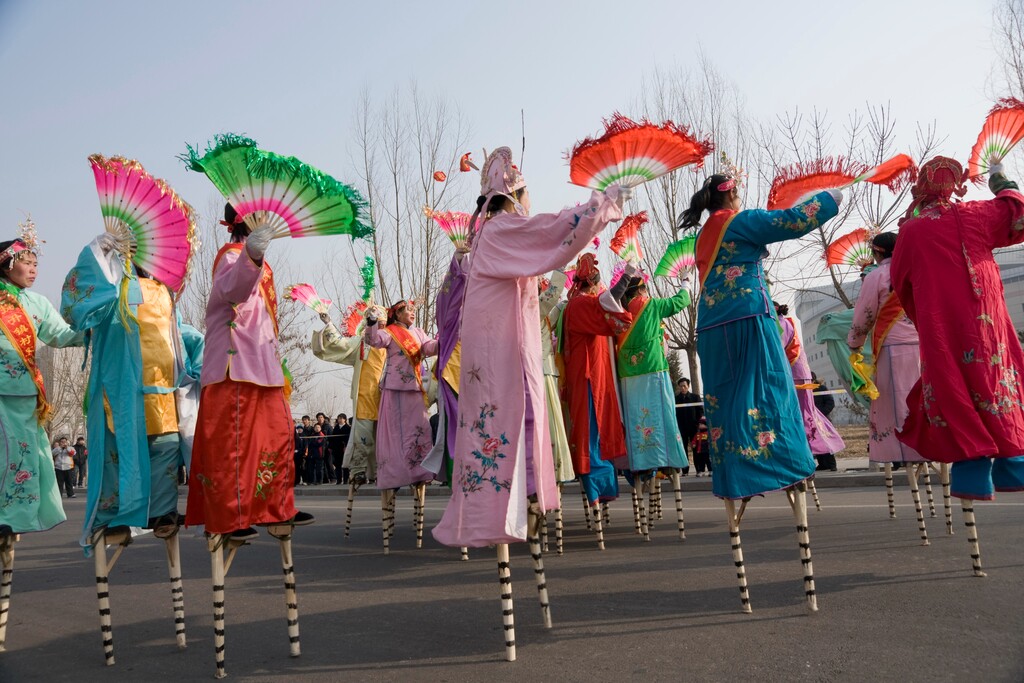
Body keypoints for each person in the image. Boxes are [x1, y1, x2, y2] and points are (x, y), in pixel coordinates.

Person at [433, 146, 630, 548]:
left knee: (500, 422)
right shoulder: (502, 229)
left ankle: (504, 510)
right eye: (527, 194)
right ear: (516, 194)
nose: (530, 202)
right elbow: (551, 230)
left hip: (496, 347)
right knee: (512, 415)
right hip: (501, 350)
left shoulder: (488, 234)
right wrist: (604, 203)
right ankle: (511, 511)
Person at [687, 170, 841, 611]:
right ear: (732, 194)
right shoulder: (739, 221)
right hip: (750, 321)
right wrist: (831, 197)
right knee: (774, 395)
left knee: (727, 410)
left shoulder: (703, 237)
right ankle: (789, 467)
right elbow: (792, 221)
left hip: (712, 329)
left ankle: (738, 479)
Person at [889, 157, 1024, 574]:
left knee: (950, 378)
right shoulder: (977, 212)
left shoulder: (911, 230)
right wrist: (1001, 177)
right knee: (996, 374)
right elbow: (1016, 211)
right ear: (955, 186)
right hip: (986, 311)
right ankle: (1012, 461)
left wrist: (922, 310)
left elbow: (902, 282)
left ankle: (970, 469)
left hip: (941, 316)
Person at [62, 232, 205, 545]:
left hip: (164, 389)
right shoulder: (114, 286)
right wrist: (96, 253)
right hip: (122, 389)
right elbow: (78, 310)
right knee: (118, 453)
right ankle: (115, 517)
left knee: (166, 448)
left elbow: (182, 334)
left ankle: (163, 513)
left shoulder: (165, 292)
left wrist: (212, 359)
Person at [185, 204, 312, 539]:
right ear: (246, 222)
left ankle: (274, 509)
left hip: (263, 363)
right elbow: (233, 291)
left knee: (278, 437)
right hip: (235, 364)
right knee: (234, 445)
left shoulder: (257, 261)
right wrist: (253, 252)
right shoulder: (231, 256)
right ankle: (230, 519)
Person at [0, 228, 83, 536]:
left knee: (28, 456)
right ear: (8, 265)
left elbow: (60, 335)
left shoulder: (38, 303)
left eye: (36, 263)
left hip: (27, 394)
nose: (34, 269)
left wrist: (90, 332)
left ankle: (17, 517)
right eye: (26, 262)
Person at [847, 232, 926, 472]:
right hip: (923, 343)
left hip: (892, 345)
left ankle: (906, 451)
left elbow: (864, 314)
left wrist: (854, 342)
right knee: (921, 395)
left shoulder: (877, 276)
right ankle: (929, 443)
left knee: (898, 400)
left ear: (877, 252)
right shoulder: (917, 269)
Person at [561, 253, 634, 508]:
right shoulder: (580, 305)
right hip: (588, 377)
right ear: (591, 284)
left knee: (598, 428)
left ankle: (602, 485)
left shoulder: (578, 303)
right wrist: (626, 276)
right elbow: (607, 304)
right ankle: (596, 487)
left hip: (594, 375)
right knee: (591, 430)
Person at [615, 274, 690, 476]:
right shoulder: (651, 304)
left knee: (637, 418)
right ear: (641, 290)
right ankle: (668, 460)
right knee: (662, 413)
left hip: (627, 375)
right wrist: (685, 282)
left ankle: (641, 463)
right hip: (653, 368)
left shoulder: (619, 310)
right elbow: (681, 301)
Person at [363, 300, 439, 490]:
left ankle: (420, 472)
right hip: (394, 388)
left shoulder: (419, 332)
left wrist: (447, 337)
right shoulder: (389, 332)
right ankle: (394, 474)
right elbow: (372, 340)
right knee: (395, 434)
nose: (412, 313)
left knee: (419, 430)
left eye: (413, 311)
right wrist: (371, 320)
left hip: (415, 387)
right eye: (408, 311)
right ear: (397, 314)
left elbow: (429, 348)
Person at [311, 309, 385, 486]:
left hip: (386, 396)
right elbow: (341, 344)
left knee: (384, 438)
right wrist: (329, 323)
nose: (378, 326)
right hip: (364, 397)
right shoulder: (362, 343)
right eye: (373, 322)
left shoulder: (391, 343)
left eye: (381, 322)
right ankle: (359, 471)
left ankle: (381, 472)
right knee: (364, 436)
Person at [775, 302, 845, 471]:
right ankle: (815, 456)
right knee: (807, 417)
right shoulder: (783, 322)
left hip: (795, 378)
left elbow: (773, 351)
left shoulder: (779, 324)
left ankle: (806, 458)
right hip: (797, 376)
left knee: (801, 418)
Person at [674, 378, 703, 474]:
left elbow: (700, 411)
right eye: (681, 386)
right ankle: (685, 470)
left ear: (688, 386)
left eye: (684, 386)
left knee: (696, 448)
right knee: (683, 448)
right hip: (681, 428)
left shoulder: (695, 397)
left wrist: (699, 424)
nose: (682, 388)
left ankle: (699, 469)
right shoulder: (676, 399)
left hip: (693, 427)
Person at [332, 414, 350, 485]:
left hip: (344, 448)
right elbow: (333, 438)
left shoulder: (348, 428)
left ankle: (346, 480)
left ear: (345, 419)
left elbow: (348, 439)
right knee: (337, 465)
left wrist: (345, 445)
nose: (340, 420)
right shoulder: (336, 427)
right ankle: (338, 480)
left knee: (345, 465)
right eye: (338, 418)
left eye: (341, 418)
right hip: (337, 449)